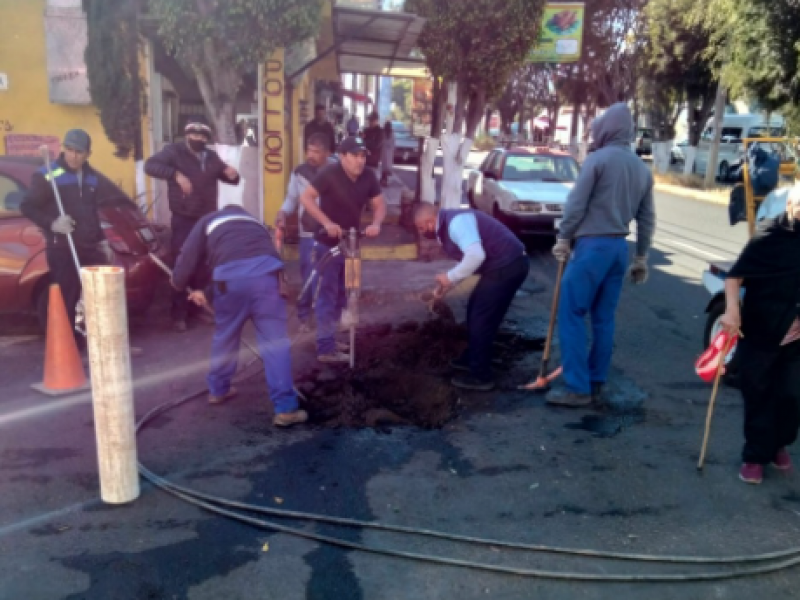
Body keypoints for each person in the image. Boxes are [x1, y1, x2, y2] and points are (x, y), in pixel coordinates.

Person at [549, 102, 656, 407]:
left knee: (570, 314)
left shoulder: (598, 160)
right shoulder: (640, 168)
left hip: (592, 247)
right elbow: (647, 218)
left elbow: (576, 204)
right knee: (603, 319)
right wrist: (641, 257)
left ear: (606, 129)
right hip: (619, 250)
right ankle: (596, 382)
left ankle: (577, 388)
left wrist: (564, 237)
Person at [171, 204, 307, 427]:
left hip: (229, 282)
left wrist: (177, 282)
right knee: (276, 343)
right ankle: (285, 409)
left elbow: (190, 256)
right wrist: (206, 293)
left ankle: (218, 390)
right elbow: (248, 257)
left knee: (226, 336)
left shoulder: (208, 220)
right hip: (268, 279)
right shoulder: (256, 224)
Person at [720, 184, 800, 484]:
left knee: (791, 396)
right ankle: (755, 456)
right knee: (758, 392)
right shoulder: (770, 235)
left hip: (795, 334)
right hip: (761, 327)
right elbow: (735, 275)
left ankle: (778, 443)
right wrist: (731, 310)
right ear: (792, 206)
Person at [414, 203, 529, 391]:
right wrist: (448, 285)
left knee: (481, 318)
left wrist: (449, 277)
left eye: (421, 227)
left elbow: (476, 256)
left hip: (508, 266)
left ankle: (481, 375)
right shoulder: (448, 225)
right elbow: (470, 263)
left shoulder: (456, 223)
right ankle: (473, 357)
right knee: (475, 309)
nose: (421, 232)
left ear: (430, 220)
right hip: (504, 266)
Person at [145, 120, 240, 333]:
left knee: (204, 265)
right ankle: (178, 313)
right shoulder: (173, 152)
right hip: (184, 218)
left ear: (206, 139)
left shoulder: (210, 156)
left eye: (202, 137)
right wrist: (176, 175)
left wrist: (233, 174)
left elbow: (228, 178)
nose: (198, 139)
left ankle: (198, 309)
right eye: (194, 136)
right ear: (187, 135)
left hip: (207, 218)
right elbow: (149, 165)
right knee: (183, 263)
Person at [21, 129, 116, 339]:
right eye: (69, 150)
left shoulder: (92, 177)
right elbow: (27, 206)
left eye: (79, 152)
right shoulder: (48, 174)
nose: (73, 156)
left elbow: (92, 212)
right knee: (68, 295)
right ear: (63, 149)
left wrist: (102, 241)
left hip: (90, 245)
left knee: (101, 294)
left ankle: (103, 342)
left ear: (88, 154)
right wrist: (53, 223)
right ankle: (69, 346)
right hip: (62, 246)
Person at [299, 136, 387, 363]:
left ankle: (331, 338)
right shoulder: (329, 173)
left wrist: (376, 224)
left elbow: (379, 205)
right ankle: (325, 348)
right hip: (327, 246)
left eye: (363, 156)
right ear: (343, 156)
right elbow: (306, 198)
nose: (360, 160)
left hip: (353, 244)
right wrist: (327, 223)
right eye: (355, 155)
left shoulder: (368, 176)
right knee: (327, 295)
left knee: (346, 294)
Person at [275, 133, 338, 332]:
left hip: (331, 233)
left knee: (329, 279)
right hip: (308, 233)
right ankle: (304, 316)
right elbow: (292, 199)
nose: (311, 155)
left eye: (317, 152)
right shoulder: (299, 172)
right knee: (308, 276)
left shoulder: (338, 171)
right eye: (309, 150)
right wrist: (283, 212)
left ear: (327, 153)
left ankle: (327, 321)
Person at [363, 112, 384, 176]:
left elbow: (376, 145)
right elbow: (359, 142)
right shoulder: (366, 130)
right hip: (363, 160)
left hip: (373, 161)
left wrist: (365, 142)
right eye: (369, 120)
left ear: (376, 121)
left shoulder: (380, 132)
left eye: (372, 120)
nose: (370, 122)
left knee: (372, 180)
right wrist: (360, 138)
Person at [380, 120, 395, 187]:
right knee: (387, 166)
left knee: (384, 165)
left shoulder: (383, 132)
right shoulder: (392, 132)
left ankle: (383, 180)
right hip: (389, 151)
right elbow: (393, 142)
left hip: (384, 150)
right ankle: (385, 180)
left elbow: (381, 141)